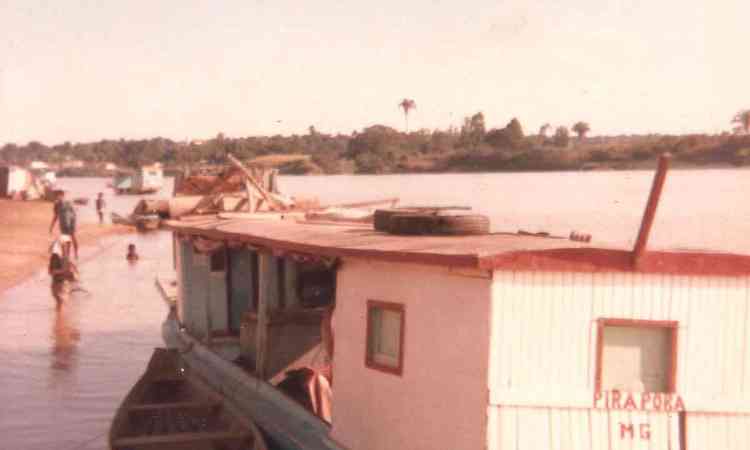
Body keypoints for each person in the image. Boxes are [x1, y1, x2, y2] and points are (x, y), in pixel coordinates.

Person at [49, 190, 79, 259]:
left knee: (73, 237)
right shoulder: (56, 204)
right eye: (57, 196)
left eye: (60, 196)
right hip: (62, 223)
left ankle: (76, 253)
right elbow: (55, 216)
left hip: (71, 223)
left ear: (63, 196)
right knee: (65, 239)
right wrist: (51, 226)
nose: (58, 197)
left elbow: (73, 213)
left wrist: (72, 223)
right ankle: (66, 255)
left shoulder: (68, 203)